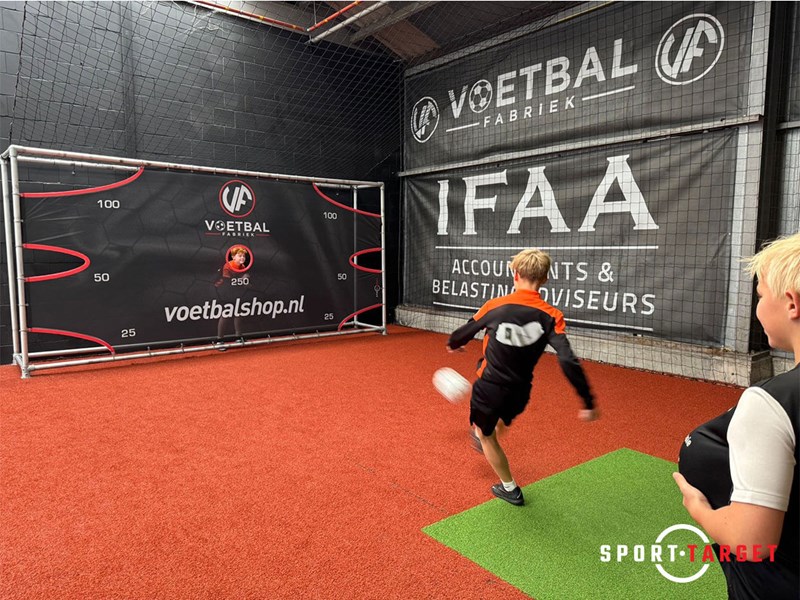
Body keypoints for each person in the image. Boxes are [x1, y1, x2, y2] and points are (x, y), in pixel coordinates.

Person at [674, 232, 800, 599]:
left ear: (791, 303)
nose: (758, 309)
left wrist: (699, 508)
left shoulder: (770, 402)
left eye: (761, 296)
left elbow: (753, 542)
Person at [447, 248, 598, 506]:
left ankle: (510, 489)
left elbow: (465, 331)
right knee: (500, 421)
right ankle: (489, 429)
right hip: (520, 391)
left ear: (515, 274)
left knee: (485, 436)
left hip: (489, 387)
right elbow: (567, 360)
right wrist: (588, 401)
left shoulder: (495, 306)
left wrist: (454, 344)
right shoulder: (552, 316)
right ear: (545, 279)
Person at [214, 246, 249, 348]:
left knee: (239, 313)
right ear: (233, 257)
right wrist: (242, 279)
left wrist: (246, 279)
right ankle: (219, 340)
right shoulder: (227, 266)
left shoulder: (242, 266)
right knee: (226, 314)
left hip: (236, 293)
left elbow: (242, 281)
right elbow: (227, 282)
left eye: (243, 256)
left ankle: (239, 337)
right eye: (240, 256)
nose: (242, 258)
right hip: (225, 293)